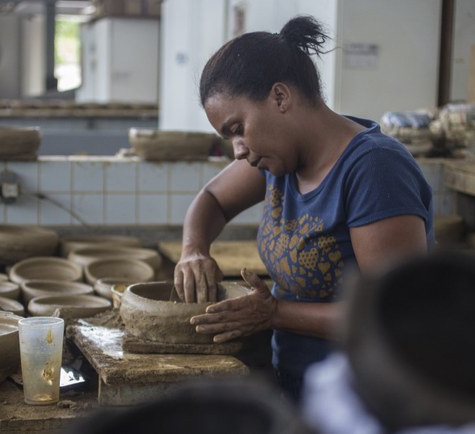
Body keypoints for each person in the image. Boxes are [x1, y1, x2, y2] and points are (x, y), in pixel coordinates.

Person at [173, 15, 434, 403]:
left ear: (280, 97)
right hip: (301, 387)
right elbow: (210, 200)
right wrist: (193, 249)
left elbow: (396, 315)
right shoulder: (278, 160)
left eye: (237, 128)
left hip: (370, 402)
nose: (238, 149)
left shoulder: (374, 169)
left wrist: (274, 313)